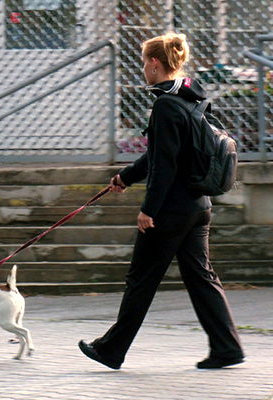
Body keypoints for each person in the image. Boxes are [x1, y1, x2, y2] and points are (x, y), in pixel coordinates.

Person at [78, 32, 245, 370]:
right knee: (201, 277)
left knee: (141, 278)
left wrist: (148, 210)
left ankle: (111, 349)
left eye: (143, 62)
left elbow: (166, 166)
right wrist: (126, 177)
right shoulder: (190, 98)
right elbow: (161, 156)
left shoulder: (165, 106)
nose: (142, 68)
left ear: (155, 63)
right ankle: (227, 348)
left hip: (170, 211)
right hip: (198, 207)